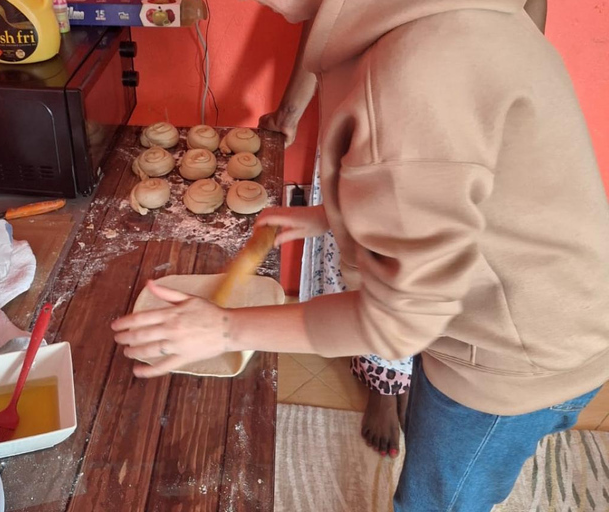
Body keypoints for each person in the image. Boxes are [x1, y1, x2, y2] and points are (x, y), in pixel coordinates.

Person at [113, 0, 609, 509]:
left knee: (436, 501)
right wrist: (329, 216)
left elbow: (394, 325)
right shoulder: (438, 19)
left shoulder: (415, 71)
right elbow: (461, 183)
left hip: (515, 359)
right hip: (547, 306)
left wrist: (224, 329)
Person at [259, 19, 413, 459]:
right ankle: (388, 375)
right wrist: (289, 113)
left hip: (414, 126)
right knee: (363, 260)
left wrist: (226, 330)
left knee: (402, 263)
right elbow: (331, 22)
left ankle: (394, 376)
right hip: (366, 115)